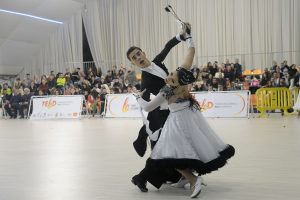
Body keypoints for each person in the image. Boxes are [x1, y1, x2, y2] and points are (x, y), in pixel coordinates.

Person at [135, 31, 235, 198]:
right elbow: (191, 52)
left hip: (177, 122)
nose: (168, 77)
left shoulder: (167, 91)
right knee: (190, 146)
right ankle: (183, 178)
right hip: (191, 116)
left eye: (171, 77)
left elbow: (148, 107)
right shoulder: (183, 73)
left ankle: (193, 179)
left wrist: (138, 99)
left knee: (170, 153)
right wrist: (188, 37)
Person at [126, 24, 191, 192]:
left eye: (138, 53)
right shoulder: (145, 80)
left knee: (169, 149)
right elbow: (147, 105)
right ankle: (144, 177)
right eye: (134, 58)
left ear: (143, 53)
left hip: (172, 111)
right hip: (160, 117)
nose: (138, 57)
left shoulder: (157, 62)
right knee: (165, 149)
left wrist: (182, 35)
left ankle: (145, 177)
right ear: (133, 63)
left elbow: (167, 47)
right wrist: (140, 98)